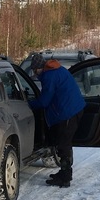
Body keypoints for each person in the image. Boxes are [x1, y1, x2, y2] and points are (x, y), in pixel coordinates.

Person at [27, 53, 86, 188]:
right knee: (64, 143)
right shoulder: (57, 70)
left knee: (63, 144)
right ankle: (64, 173)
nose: (35, 73)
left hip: (67, 112)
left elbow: (44, 101)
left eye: (35, 70)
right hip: (73, 109)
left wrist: (29, 105)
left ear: (39, 67)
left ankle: (65, 178)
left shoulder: (49, 76)